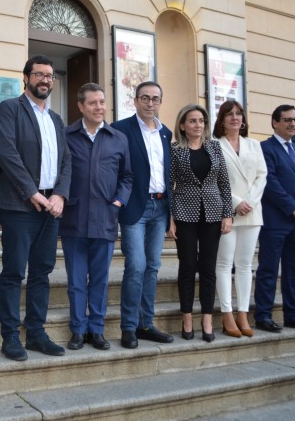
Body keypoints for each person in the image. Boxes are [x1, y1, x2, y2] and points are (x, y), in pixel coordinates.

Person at [0, 54, 71, 361]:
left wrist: (60, 195)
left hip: (51, 206)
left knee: (42, 271)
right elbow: (6, 154)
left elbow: (67, 160)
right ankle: (10, 335)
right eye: (38, 75)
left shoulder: (56, 119)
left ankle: (36, 332)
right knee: (14, 272)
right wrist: (31, 192)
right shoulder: (10, 109)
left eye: (49, 76)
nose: (44, 80)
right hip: (19, 206)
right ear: (26, 78)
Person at [61, 83, 133, 351]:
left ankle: (97, 329)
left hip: (105, 217)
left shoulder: (117, 138)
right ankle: (78, 330)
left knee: (100, 280)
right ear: (81, 106)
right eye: (93, 103)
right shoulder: (66, 135)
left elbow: (127, 176)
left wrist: (118, 201)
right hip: (74, 218)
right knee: (77, 280)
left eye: (102, 102)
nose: (99, 107)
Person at [111, 81, 174, 349]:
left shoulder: (166, 133)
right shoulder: (120, 129)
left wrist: (171, 213)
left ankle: (145, 323)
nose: (150, 103)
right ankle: (128, 327)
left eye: (155, 99)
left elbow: (169, 173)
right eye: (145, 98)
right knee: (135, 266)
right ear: (135, 100)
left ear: (161, 102)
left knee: (152, 266)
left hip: (160, 208)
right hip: (134, 207)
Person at [167, 104, 232, 343]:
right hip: (184, 215)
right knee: (187, 266)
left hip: (213, 215)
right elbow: (169, 186)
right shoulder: (175, 150)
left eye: (201, 120)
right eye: (192, 121)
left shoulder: (214, 147)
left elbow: (224, 183)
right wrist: (170, 218)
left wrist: (228, 214)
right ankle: (187, 317)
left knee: (208, 267)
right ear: (182, 125)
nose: (198, 125)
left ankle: (206, 317)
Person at [254, 105, 295, 333]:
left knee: (293, 270)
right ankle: (263, 315)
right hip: (275, 221)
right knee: (268, 270)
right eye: (288, 120)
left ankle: (293, 314)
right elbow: (270, 182)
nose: (294, 124)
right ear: (274, 122)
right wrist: (293, 207)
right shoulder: (265, 148)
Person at [212, 100, 267, 338]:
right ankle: (226, 313)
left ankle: (243, 313)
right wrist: (236, 202)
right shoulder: (213, 145)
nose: (235, 117)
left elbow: (262, 176)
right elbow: (213, 177)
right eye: (230, 114)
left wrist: (250, 202)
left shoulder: (254, 145)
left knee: (245, 265)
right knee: (224, 264)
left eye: (238, 114)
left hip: (252, 211)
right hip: (226, 210)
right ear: (222, 120)